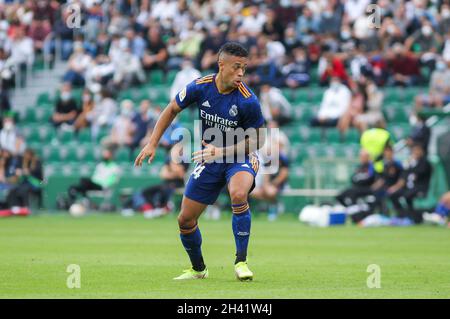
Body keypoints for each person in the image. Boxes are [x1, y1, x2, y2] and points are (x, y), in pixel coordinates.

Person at [135, 42, 265, 281]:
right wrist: (153, 142)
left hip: (241, 157)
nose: (241, 73)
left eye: (244, 68)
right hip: (210, 158)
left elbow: (259, 140)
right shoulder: (201, 87)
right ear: (221, 65)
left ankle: (241, 262)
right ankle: (198, 269)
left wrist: (222, 151)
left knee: (238, 194)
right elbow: (172, 108)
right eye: (236, 67)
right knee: (185, 219)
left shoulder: (248, 100)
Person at [388, 143, 432, 225]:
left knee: (407, 196)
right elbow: (404, 175)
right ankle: (402, 214)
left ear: (421, 151)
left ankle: (414, 217)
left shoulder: (425, 162)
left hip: (420, 187)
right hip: (409, 188)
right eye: (414, 151)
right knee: (393, 194)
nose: (416, 152)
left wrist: (411, 164)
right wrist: (395, 187)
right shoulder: (411, 163)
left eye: (417, 150)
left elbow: (420, 172)